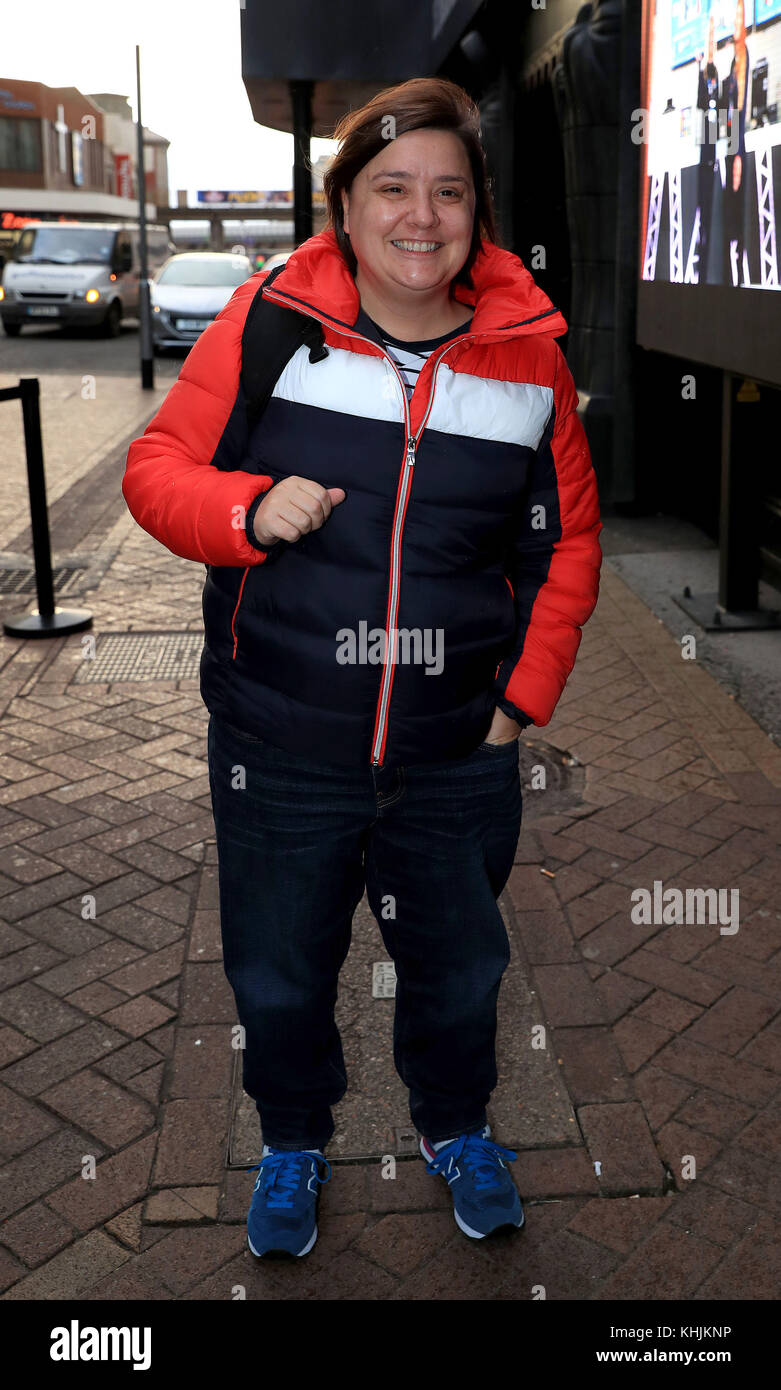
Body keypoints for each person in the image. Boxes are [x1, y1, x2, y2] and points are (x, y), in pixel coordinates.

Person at [122, 77, 602, 1261]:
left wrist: (516, 705)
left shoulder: (527, 364)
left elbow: (568, 544)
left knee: (457, 973)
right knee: (280, 975)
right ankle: (293, 1140)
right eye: (392, 187)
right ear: (345, 204)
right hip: (281, 744)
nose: (421, 216)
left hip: (455, 755)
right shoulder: (270, 324)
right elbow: (154, 466)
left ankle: (454, 1128)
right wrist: (243, 507)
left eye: (448, 190)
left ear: (479, 211)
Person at [723, 0, 751, 285]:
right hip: (731, 145)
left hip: (737, 145)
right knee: (730, 204)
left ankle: (740, 265)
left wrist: (738, 152)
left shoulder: (742, 56)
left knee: (737, 201)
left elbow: (739, 108)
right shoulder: (732, 61)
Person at [696, 12, 719, 282]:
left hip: (715, 150)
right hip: (704, 152)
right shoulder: (703, 78)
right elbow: (703, 105)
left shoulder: (718, 76)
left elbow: (723, 109)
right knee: (703, 205)